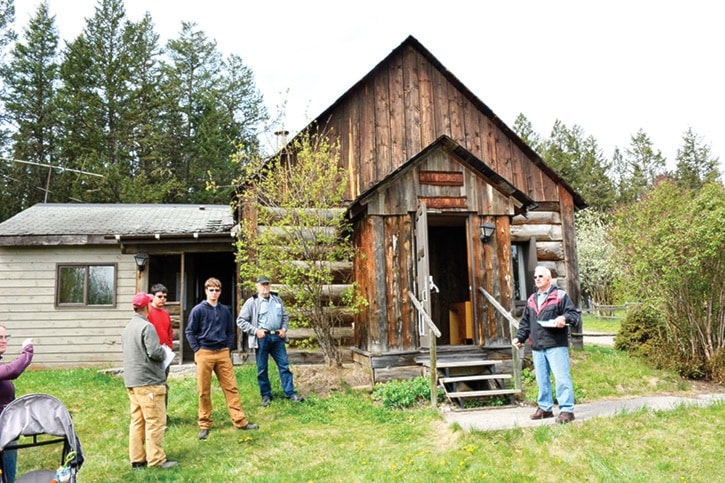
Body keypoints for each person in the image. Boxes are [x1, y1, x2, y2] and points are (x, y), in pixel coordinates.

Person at [185, 278, 258, 440]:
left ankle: (240, 421)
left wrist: (228, 346)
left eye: (217, 290)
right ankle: (204, 424)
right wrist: (197, 350)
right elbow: (190, 331)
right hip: (204, 352)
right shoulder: (198, 310)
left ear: (220, 292)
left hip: (223, 353)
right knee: (204, 390)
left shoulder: (225, 310)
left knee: (231, 387)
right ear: (206, 291)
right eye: (211, 290)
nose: (214, 293)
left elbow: (231, 330)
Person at [513, 266, 580, 424]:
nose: (537, 279)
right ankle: (545, 408)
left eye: (540, 276)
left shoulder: (560, 296)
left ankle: (567, 410)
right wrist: (519, 338)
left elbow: (574, 315)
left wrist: (563, 318)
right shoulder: (531, 299)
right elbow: (525, 323)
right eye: (535, 277)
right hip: (537, 345)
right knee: (542, 379)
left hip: (556, 344)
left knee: (562, 378)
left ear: (549, 278)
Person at [121, 293, 178, 470]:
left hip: (132, 381)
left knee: (137, 420)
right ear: (147, 307)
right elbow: (154, 352)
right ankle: (156, 460)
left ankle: (137, 459)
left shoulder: (128, 327)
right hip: (149, 381)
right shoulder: (147, 327)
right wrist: (164, 351)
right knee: (155, 421)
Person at [237, 275, 304, 407]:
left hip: (277, 338)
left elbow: (285, 316)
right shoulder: (252, 302)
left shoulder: (277, 299)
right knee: (262, 369)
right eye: (262, 285)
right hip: (262, 338)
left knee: (284, 366)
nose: (265, 287)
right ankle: (266, 395)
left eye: (267, 284)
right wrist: (256, 331)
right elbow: (240, 321)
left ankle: (290, 393)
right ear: (257, 287)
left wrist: (284, 329)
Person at [0, 325, 33, 483]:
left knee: (8, 477)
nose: (4, 341)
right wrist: (27, 350)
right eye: (0, 337)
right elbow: (12, 371)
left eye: (6, 337)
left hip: (6, 431)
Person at [147, 283, 173, 419]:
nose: (163, 299)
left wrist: (169, 348)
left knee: (163, 386)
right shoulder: (148, 313)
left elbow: (169, 333)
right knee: (152, 387)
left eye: (165, 297)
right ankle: (152, 415)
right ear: (153, 297)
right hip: (152, 356)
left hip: (165, 355)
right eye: (160, 296)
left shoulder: (166, 314)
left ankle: (163, 414)